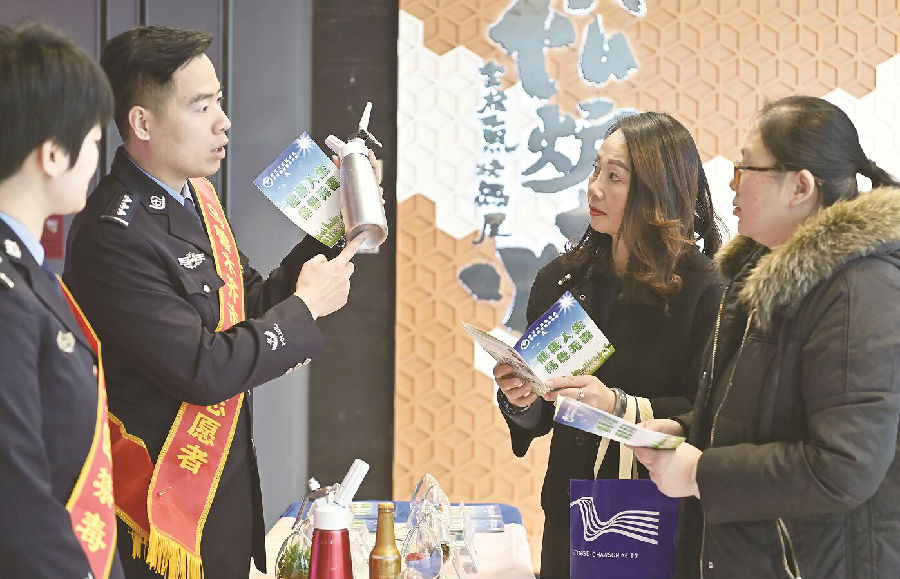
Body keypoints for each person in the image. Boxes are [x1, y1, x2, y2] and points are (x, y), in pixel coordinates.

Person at [63, 26, 372, 579]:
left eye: (220, 101)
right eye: (201, 106)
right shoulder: (113, 234)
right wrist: (305, 309)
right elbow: (202, 367)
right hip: (155, 522)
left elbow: (248, 303)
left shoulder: (196, 197)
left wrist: (338, 219)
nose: (223, 121)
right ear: (142, 123)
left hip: (222, 509)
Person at [631, 96, 900, 579]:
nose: (731, 183)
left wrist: (699, 473)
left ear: (800, 186)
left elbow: (843, 466)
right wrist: (690, 430)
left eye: (746, 168)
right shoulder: (761, 271)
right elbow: (767, 415)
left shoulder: (858, 289)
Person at [493, 111, 725, 578]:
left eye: (614, 177)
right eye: (596, 169)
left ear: (657, 191)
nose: (594, 188)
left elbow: (712, 414)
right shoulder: (563, 280)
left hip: (663, 516)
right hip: (572, 511)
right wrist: (521, 399)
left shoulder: (708, 290)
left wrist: (617, 407)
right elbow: (541, 415)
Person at [0, 22, 125, 578]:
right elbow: (16, 494)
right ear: (53, 153)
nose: (97, 158)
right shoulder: (7, 295)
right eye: (95, 141)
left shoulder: (25, 270)